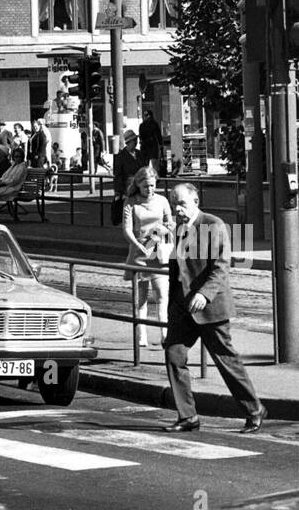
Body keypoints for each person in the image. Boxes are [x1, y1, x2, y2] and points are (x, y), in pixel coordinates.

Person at [161, 182, 267, 434]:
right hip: (182, 308)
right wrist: (173, 303)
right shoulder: (178, 227)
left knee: (226, 361)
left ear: (196, 201)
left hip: (210, 307)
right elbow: (177, 269)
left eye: (182, 204)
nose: (178, 209)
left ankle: (254, 410)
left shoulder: (213, 225)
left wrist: (204, 295)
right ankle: (188, 416)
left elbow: (221, 265)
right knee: (174, 356)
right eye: (174, 203)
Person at [120, 165, 173, 349]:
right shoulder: (130, 202)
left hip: (158, 254)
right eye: (145, 187)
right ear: (138, 186)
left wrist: (164, 231)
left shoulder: (162, 200)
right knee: (139, 300)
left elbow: (169, 222)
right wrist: (138, 245)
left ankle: (165, 334)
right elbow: (126, 229)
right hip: (139, 254)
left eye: (152, 185)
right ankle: (141, 336)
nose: (149, 190)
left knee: (162, 297)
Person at [111, 129, 140, 224]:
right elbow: (118, 175)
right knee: (131, 211)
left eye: (136, 140)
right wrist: (118, 191)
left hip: (140, 185)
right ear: (128, 142)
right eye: (134, 141)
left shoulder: (140, 154)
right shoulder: (121, 156)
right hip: (128, 188)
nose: (136, 142)